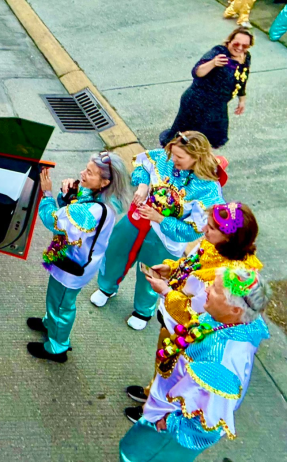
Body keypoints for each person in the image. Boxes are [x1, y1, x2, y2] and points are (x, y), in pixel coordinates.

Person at [122, 203, 262, 422]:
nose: (204, 229)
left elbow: (197, 314)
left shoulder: (228, 277)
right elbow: (191, 263)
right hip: (171, 321)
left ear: (230, 238)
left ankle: (154, 413)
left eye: (212, 227)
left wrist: (166, 292)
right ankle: (151, 392)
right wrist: (171, 268)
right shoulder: (212, 244)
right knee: (162, 363)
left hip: (189, 336)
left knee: (172, 374)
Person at [118, 267, 270, 462]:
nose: (206, 289)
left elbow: (208, 422)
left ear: (235, 309)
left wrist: (169, 423)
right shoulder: (229, 320)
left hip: (172, 427)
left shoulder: (221, 363)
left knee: (137, 456)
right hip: (167, 402)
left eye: (215, 289)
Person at [91, 131, 225, 331]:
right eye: (173, 153)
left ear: (197, 157)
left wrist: (161, 219)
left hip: (165, 239)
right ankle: (106, 287)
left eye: (180, 157)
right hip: (137, 219)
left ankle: (143, 310)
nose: (173, 159)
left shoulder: (208, 190)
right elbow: (142, 166)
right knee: (116, 253)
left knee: (153, 272)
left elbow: (193, 231)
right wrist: (143, 185)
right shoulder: (165, 158)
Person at [28, 152, 131, 363]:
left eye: (90, 173)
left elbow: (54, 220)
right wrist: (68, 195)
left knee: (62, 304)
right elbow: (73, 209)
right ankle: (50, 323)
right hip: (76, 260)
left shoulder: (92, 210)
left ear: (105, 182)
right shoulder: (106, 198)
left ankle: (57, 348)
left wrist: (47, 194)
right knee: (57, 299)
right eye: (86, 168)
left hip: (72, 265)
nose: (82, 173)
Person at [159, 28, 253, 149]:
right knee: (184, 139)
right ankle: (174, 157)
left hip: (217, 106)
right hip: (197, 103)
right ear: (229, 41)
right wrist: (213, 63)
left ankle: (197, 159)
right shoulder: (218, 53)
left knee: (208, 139)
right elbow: (197, 72)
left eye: (245, 46)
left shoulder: (245, 56)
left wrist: (242, 99)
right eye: (236, 44)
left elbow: (242, 78)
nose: (240, 48)